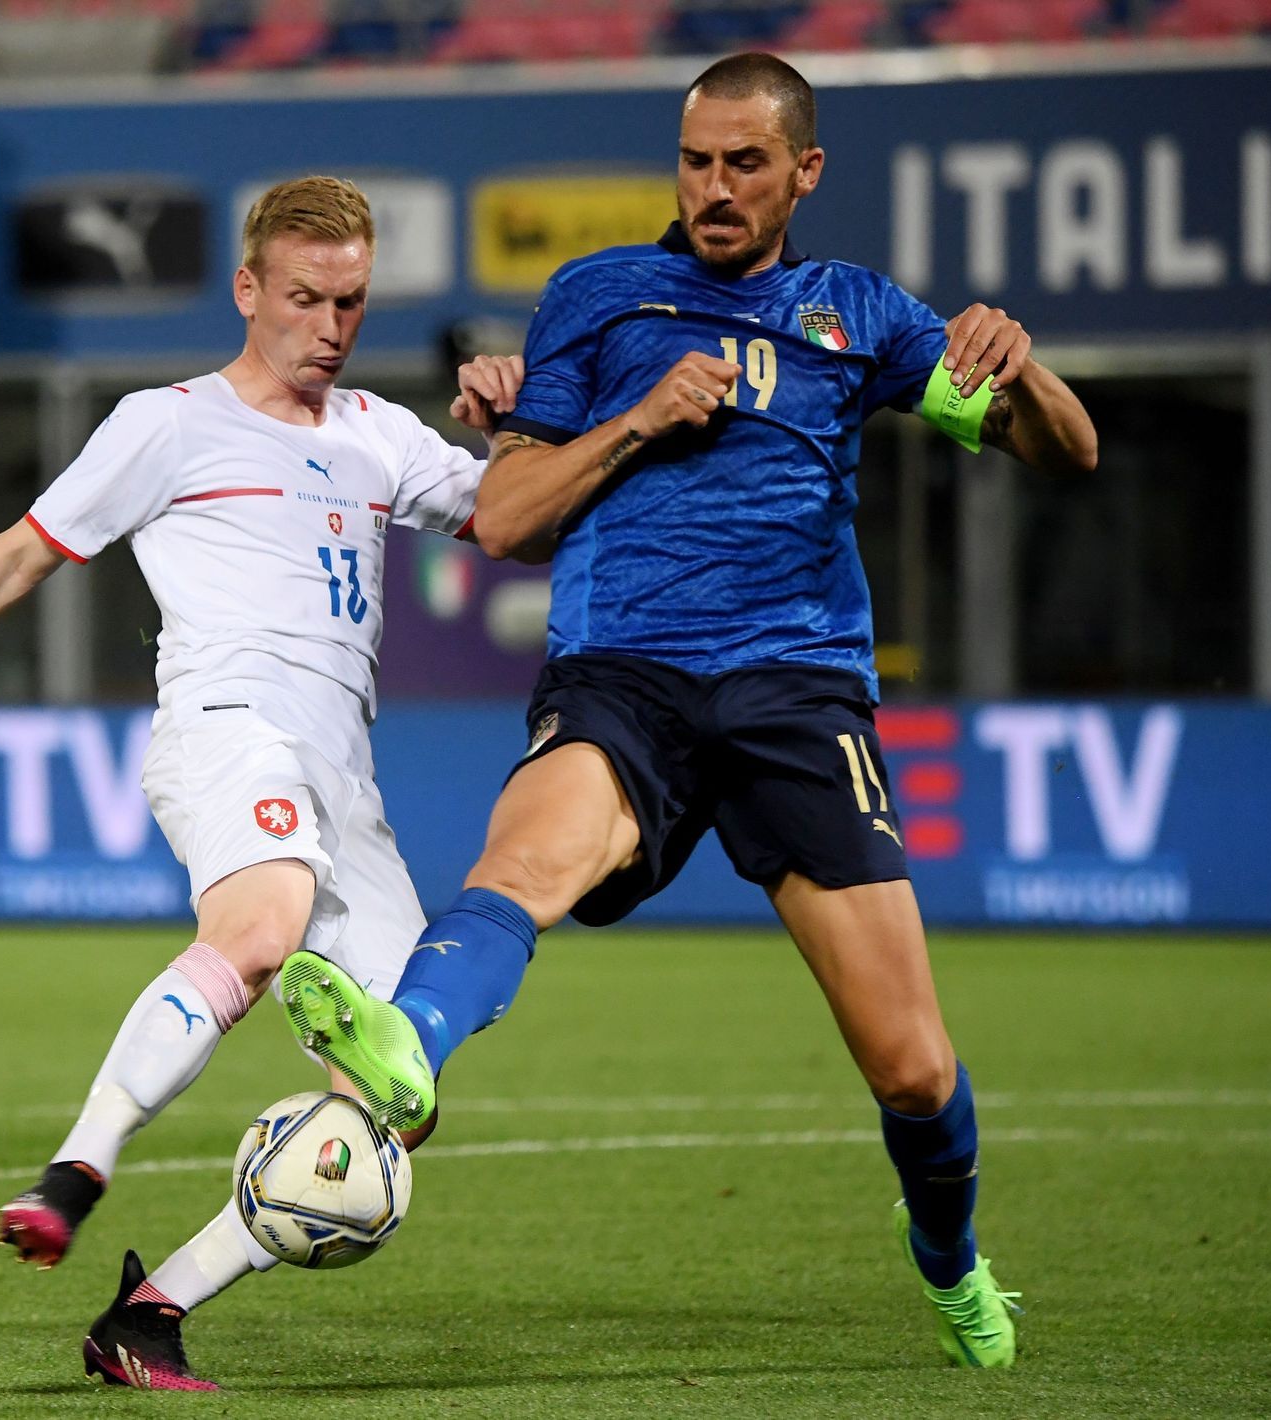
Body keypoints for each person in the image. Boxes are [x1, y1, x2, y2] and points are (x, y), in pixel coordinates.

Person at [282, 53, 1098, 1372]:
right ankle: (403, 1046)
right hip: (627, 672)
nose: (712, 188)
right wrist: (643, 419)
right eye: (692, 161)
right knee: (522, 863)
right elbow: (503, 515)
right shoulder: (600, 298)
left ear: (801, 172)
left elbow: (1062, 454)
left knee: (909, 1070)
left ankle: (945, 1254)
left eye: (743, 163)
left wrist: (1024, 370)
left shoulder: (857, 314)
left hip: (795, 692)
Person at [0, 175, 526, 1391]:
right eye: (304, 296)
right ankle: (74, 1170)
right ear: (249, 289)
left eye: (351, 301)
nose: (329, 323)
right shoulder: (171, 423)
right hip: (227, 729)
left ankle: (149, 1312)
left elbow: (527, 522)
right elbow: (16, 558)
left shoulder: (379, 434)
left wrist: (524, 422)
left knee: (389, 1107)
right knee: (259, 929)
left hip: (343, 782)